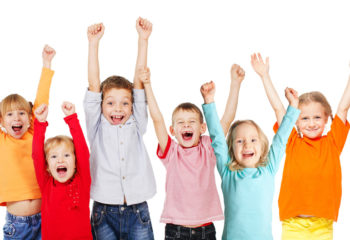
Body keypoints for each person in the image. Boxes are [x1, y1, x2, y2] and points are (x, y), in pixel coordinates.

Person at [139, 64, 245, 239]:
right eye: (180, 122)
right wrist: (148, 85)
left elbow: (226, 120)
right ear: (172, 131)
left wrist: (235, 84)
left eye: (191, 122)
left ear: (203, 127)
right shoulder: (171, 151)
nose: (186, 125)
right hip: (176, 230)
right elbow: (157, 119)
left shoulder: (208, 148)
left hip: (206, 230)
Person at [251, 52, 350, 239]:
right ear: (295, 121)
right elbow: (279, 109)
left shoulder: (333, 142)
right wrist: (265, 76)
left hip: (323, 225)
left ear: (327, 118)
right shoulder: (292, 141)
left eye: (317, 117)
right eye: (304, 118)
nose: (311, 123)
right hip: (293, 225)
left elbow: (343, 107)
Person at [202, 77, 300, 239]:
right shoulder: (228, 173)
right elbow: (218, 139)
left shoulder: (268, 169)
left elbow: (281, 139)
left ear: (262, 146)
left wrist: (293, 107)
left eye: (253, 140)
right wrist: (209, 101)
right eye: (240, 141)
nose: (247, 144)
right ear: (232, 149)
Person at [85, 17, 156, 239]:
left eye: (125, 103)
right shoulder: (96, 125)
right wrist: (93, 44)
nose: (118, 109)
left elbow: (139, 84)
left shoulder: (136, 122)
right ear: (101, 105)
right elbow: (94, 85)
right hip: (103, 210)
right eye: (110, 103)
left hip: (137, 209)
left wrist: (143, 40)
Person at [0, 45, 55, 240]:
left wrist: (46, 65)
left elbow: (41, 102)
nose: (17, 118)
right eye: (10, 114)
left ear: (29, 117)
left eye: (22, 113)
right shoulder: (2, 141)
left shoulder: (34, 133)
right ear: (1, 120)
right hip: (17, 225)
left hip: (45, 219)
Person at [32, 102, 92, 239]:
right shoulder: (46, 183)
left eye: (66, 155)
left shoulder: (83, 180)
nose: (60, 160)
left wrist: (72, 119)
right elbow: (36, 156)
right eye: (54, 156)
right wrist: (40, 123)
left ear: (76, 163)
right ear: (47, 165)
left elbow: (83, 151)